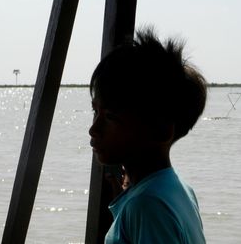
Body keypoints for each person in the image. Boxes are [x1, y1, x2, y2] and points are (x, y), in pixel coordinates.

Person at [89, 27, 207, 243]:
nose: (93, 129)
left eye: (110, 117)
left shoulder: (146, 205)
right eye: (95, 112)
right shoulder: (178, 189)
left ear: (160, 129)